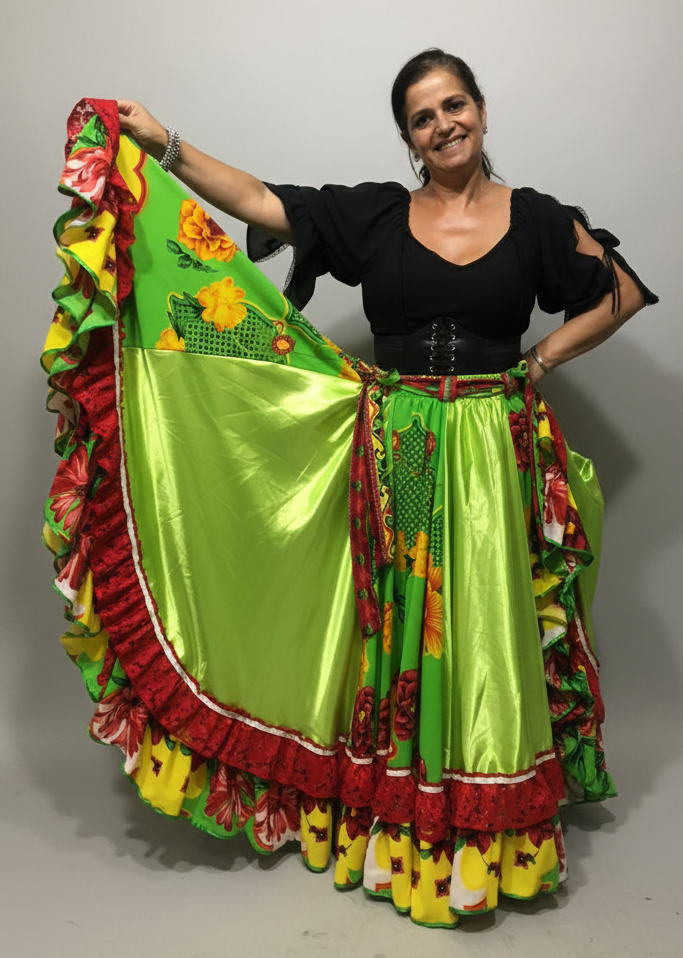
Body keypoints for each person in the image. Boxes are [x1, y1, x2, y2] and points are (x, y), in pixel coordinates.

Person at [55, 49, 657, 929]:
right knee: (410, 623)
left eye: (454, 104)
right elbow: (261, 202)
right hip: (398, 443)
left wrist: (538, 362)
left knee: (485, 625)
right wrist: (162, 143)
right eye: (423, 116)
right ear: (409, 139)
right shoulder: (377, 215)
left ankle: (485, 831)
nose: (443, 124)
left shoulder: (536, 218)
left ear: (480, 110)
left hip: (491, 445)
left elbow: (622, 292)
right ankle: (406, 826)